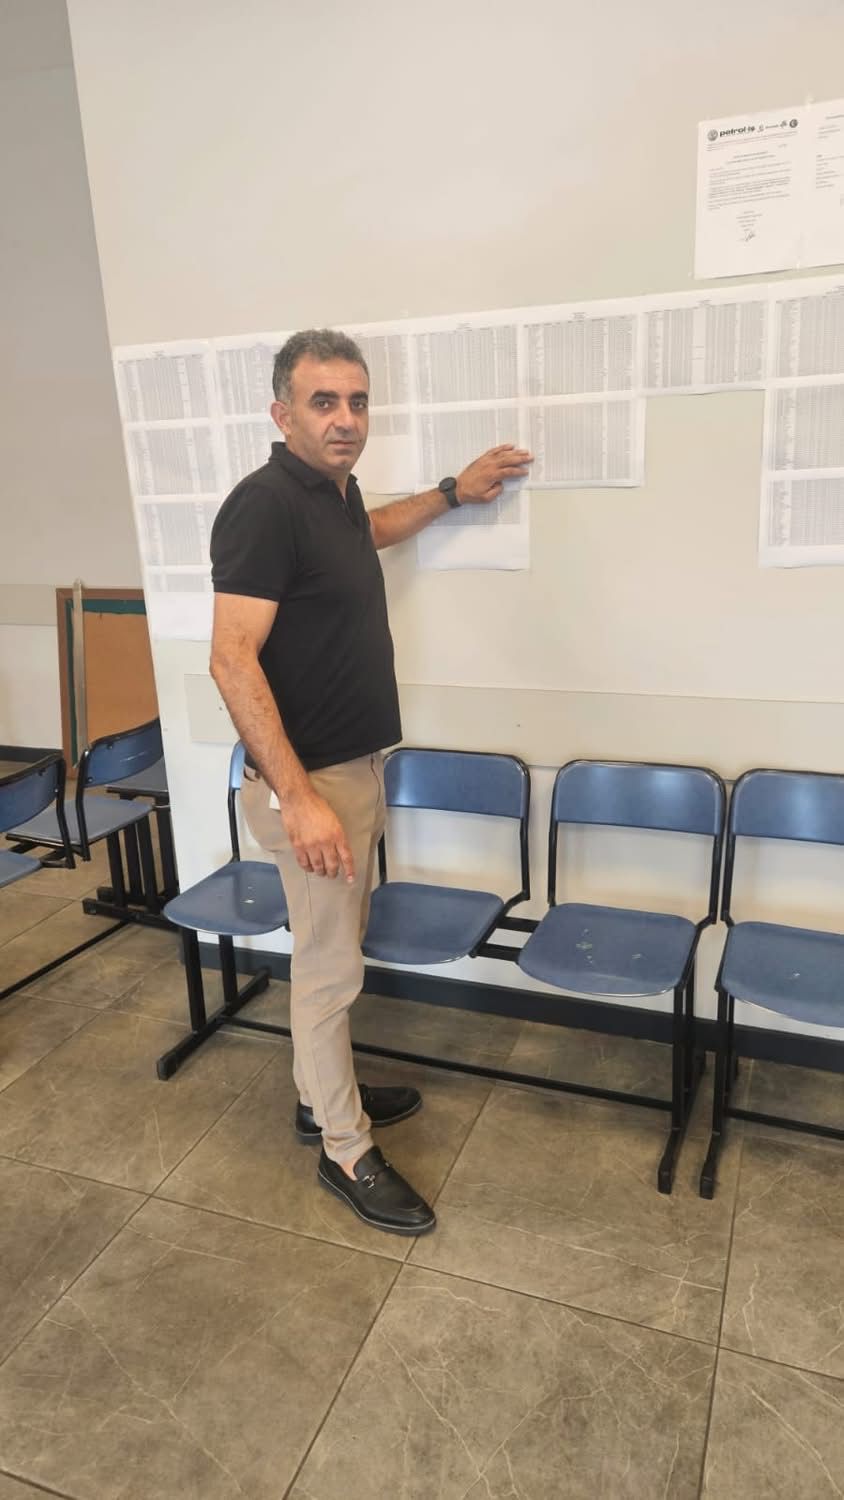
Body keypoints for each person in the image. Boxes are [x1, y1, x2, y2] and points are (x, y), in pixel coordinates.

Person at [209, 328, 532, 1236]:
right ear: (282, 413)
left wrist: (450, 493)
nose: (346, 419)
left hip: (349, 772)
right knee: (328, 973)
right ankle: (345, 1149)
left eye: (356, 401)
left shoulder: (336, 495)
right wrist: (300, 798)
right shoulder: (265, 506)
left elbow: (375, 532)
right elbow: (231, 659)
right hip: (309, 785)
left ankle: (321, 1097)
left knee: (333, 953)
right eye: (324, 402)